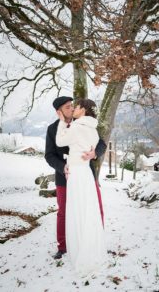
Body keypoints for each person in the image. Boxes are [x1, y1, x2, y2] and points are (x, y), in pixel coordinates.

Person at [45, 96, 106, 260]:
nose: (71, 109)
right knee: (64, 212)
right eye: (67, 107)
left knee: (95, 207)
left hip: (86, 174)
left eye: (72, 106)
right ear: (59, 112)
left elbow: (102, 143)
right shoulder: (52, 129)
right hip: (64, 177)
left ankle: (94, 242)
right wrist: (61, 167)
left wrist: (94, 154)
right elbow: (49, 155)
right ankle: (63, 246)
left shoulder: (84, 122)